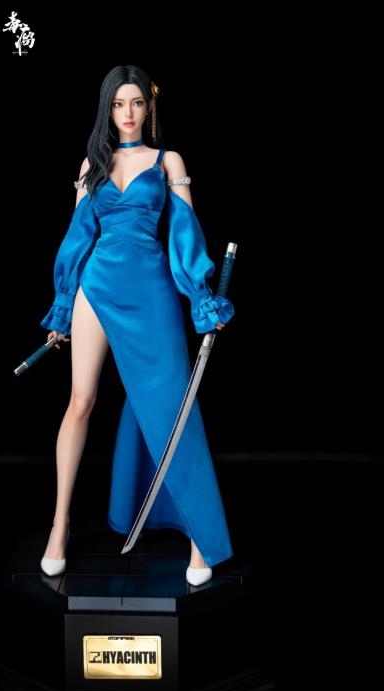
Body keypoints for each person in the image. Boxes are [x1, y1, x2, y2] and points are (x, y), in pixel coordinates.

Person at [39, 65, 235, 586]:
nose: (127, 113)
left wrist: (202, 301)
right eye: (118, 104)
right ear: (107, 108)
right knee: (80, 401)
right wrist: (63, 307)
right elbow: (77, 237)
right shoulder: (93, 163)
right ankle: (59, 526)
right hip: (97, 288)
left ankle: (199, 536)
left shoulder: (168, 160)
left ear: (149, 107)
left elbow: (185, 233)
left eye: (137, 103)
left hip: (151, 292)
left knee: (175, 410)